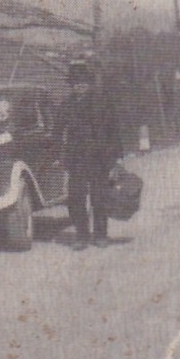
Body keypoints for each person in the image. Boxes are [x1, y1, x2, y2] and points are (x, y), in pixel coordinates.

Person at [58, 60, 124, 250]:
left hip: (99, 157)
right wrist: (56, 155)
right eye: (75, 82)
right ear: (71, 85)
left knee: (99, 197)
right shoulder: (66, 106)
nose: (79, 85)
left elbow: (113, 129)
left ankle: (101, 235)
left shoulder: (102, 102)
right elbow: (57, 131)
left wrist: (117, 157)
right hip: (76, 159)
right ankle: (81, 235)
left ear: (89, 83)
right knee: (75, 197)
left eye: (83, 81)